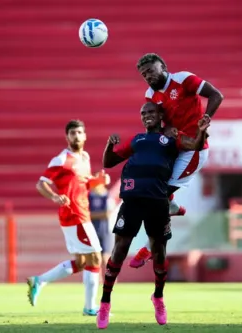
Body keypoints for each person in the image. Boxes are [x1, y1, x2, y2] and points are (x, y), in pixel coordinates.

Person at [96, 102, 210, 329]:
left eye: (151, 112)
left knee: (159, 253)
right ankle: (105, 303)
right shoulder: (136, 140)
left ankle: (158, 297)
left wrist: (202, 130)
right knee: (119, 250)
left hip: (158, 202)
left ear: (160, 116)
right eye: (143, 113)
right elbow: (108, 163)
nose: (146, 116)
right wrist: (109, 147)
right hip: (131, 201)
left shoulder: (170, 141)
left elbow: (195, 144)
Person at [131, 53, 224, 268]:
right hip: (173, 146)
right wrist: (163, 130)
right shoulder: (150, 94)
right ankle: (171, 206)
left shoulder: (183, 79)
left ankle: (150, 246)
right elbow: (157, 123)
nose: (148, 76)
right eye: (144, 74)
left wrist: (206, 119)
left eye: (151, 70)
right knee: (152, 186)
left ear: (163, 66)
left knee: (157, 195)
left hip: (193, 150)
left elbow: (216, 95)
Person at [27, 120, 109, 316]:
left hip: (82, 213)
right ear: (67, 137)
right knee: (96, 257)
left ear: (85, 136)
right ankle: (90, 308)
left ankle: (38, 281)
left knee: (82, 262)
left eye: (79, 132)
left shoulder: (85, 158)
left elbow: (85, 184)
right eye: (72, 133)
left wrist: (99, 181)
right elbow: (41, 184)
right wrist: (55, 196)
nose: (76, 136)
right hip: (74, 214)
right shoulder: (62, 159)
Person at [89, 183, 115, 266]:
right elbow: (85, 214)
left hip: (106, 231)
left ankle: (111, 278)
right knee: (95, 258)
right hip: (93, 231)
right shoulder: (89, 197)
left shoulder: (108, 197)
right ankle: (98, 279)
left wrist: (92, 215)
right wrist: (100, 214)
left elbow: (108, 214)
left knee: (106, 257)